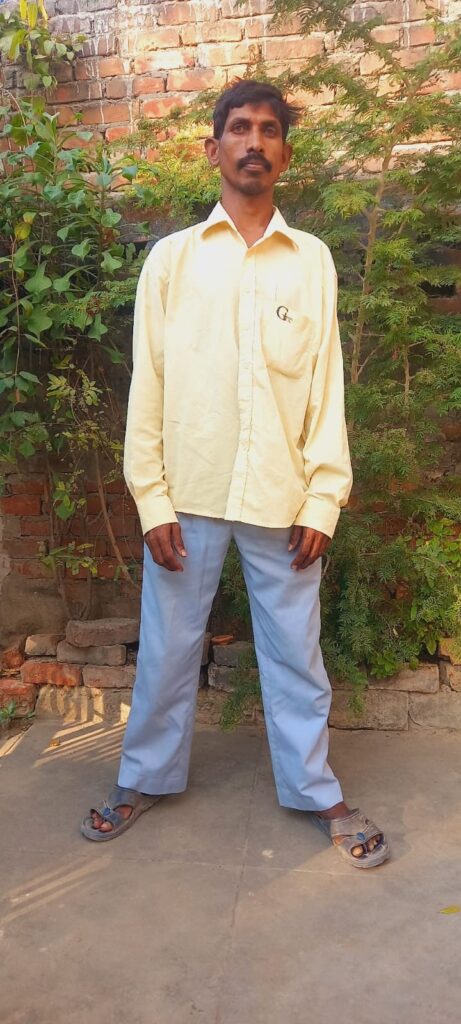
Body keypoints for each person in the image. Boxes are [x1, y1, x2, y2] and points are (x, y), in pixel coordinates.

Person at [81, 80, 389, 868]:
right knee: (168, 649)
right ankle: (142, 778)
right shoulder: (172, 261)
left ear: (285, 153)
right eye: (239, 129)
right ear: (212, 148)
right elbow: (145, 384)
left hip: (283, 499)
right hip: (186, 498)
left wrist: (324, 497)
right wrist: (150, 499)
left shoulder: (310, 262)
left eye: (269, 130)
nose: (254, 141)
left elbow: (325, 390)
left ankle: (317, 791)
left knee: (295, 654)